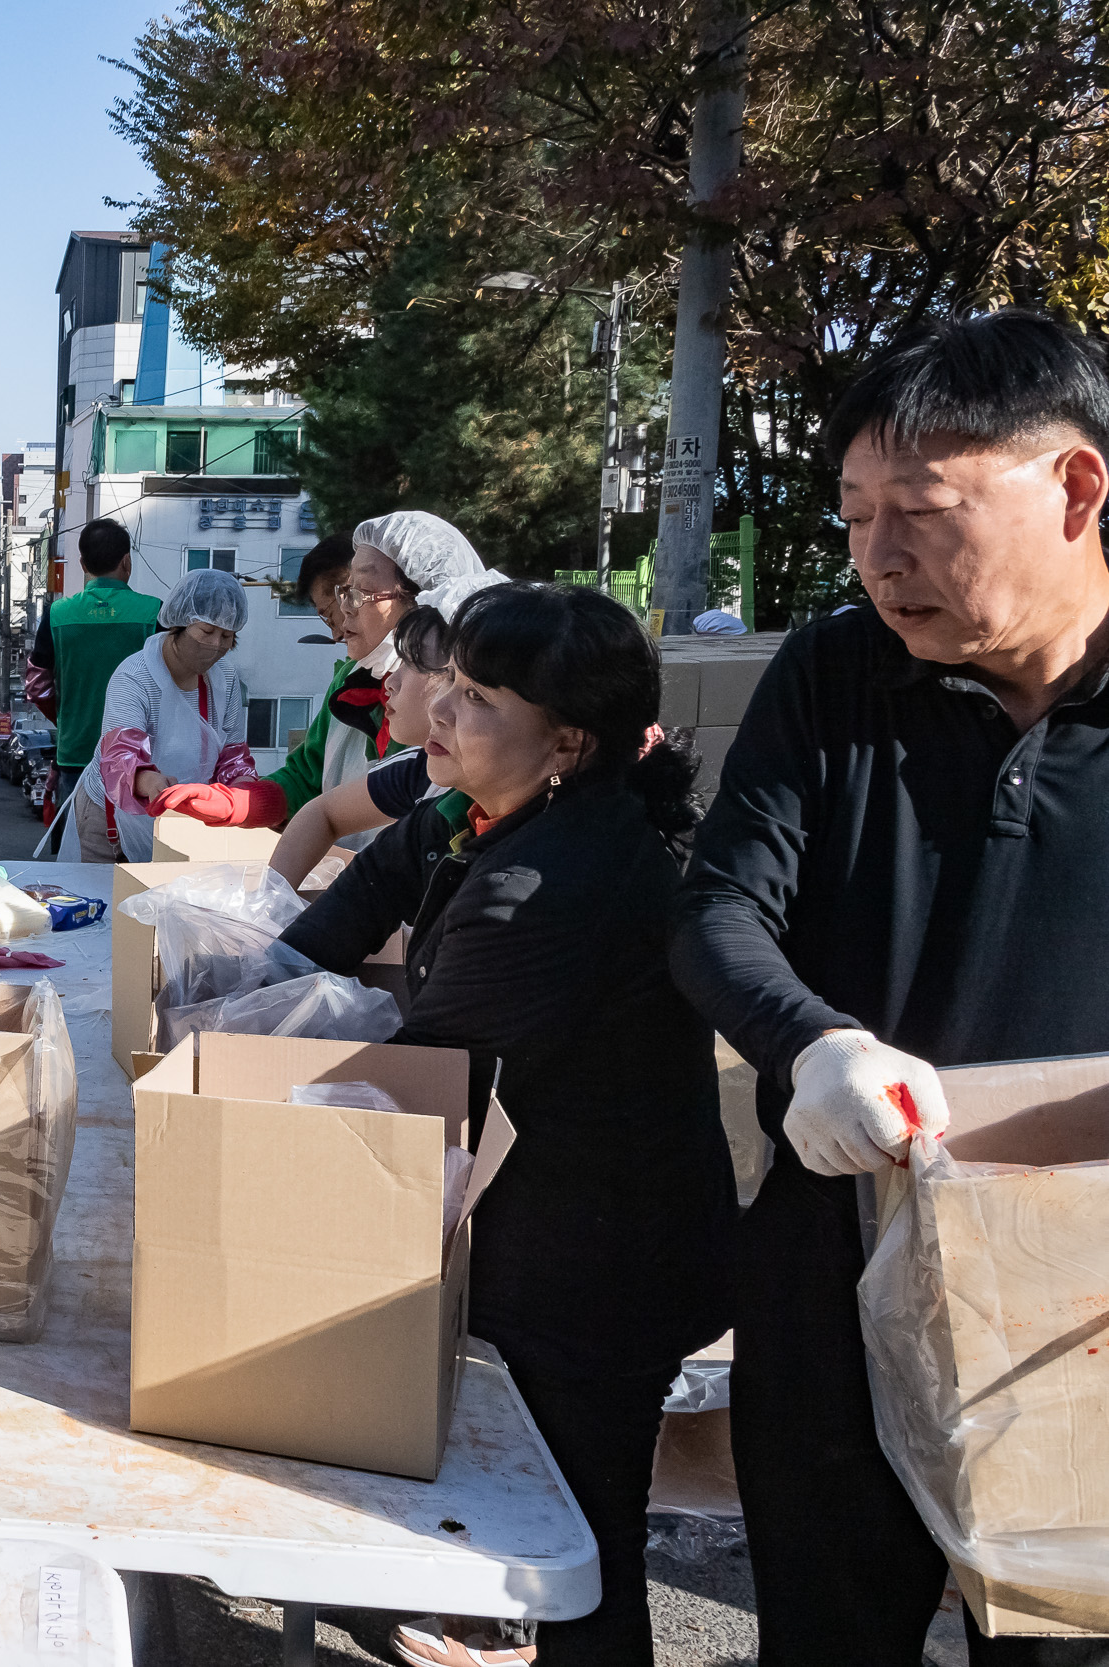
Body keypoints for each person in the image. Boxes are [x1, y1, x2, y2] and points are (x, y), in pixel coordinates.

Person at [670, 312, 1109, 1667]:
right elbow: (715, 905)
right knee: (826, 1622)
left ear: (1077, 488)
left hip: (1076, 1295)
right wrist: (810, 1044)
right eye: (855, 516)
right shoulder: (835, 673)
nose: (876, 557)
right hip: (840, 1249)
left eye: (917, 512)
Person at [278, 583, 735, 1667]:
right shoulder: (487, 812)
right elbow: (343, 914)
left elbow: (416, 1076)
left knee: (577, 1545)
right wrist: (253, 989)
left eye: (475, 696)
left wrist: (241, 1088)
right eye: (449, 683)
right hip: (551, 1227)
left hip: (600, 1259)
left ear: (565, 739)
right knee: (546, 1529)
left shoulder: (552, 878)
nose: (438, 710)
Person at [155, 511, 503, 836]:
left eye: (360, 593)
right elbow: (309, 779)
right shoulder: (352, 681)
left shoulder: (454, 719)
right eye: (343, 596)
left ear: (427, 598)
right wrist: (244, 803)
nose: (343, 616)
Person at [264, 604, 471, 889]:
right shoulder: (418, 768)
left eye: (412, 662)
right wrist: (267, 908)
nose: (391, 682)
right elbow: (322, 813)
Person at [66, 568, 256, 863]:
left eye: (227, 636)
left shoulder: (225, 680)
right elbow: (119, 757)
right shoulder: (135, 677)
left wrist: (243, 794)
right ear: (178, 624)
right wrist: (150, 780)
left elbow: (232, 754)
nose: (216, 645)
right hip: (110, 816)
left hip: (183, 817)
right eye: (206, 632)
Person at [25, 518, 161, 804]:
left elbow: (37, 688)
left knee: (79, 843)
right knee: (134, 846)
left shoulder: (56, 614)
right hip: (140, 762)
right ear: (127, 561)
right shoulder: (154, 613)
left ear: (82, 564)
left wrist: (68, 718)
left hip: (76, 756)